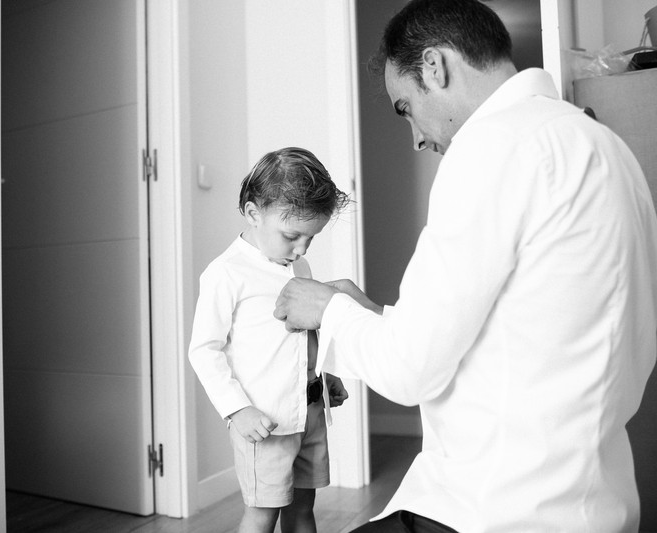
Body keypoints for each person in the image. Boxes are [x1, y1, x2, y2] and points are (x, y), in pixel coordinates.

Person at [273, 1, 657, 532]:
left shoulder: (490, 148)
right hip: (597, 504)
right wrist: (372, 313)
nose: (415, 137)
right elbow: (521, 332)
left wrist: (329, 310)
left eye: (406, 107)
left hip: (492, 511)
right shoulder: (607, 147)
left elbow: (410, 370)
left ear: (435, 66)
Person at [189, 147, 351, 533]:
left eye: (311, 238)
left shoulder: (299, 265)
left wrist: (325, 373)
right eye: (292, 236)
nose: (302, 249)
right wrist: (237, 410)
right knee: (263, 514)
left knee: (304, 508)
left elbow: (306, 330)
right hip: (265, 422)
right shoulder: (227, 273)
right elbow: (204, 350)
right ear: (253, 213)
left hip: (309, 413)